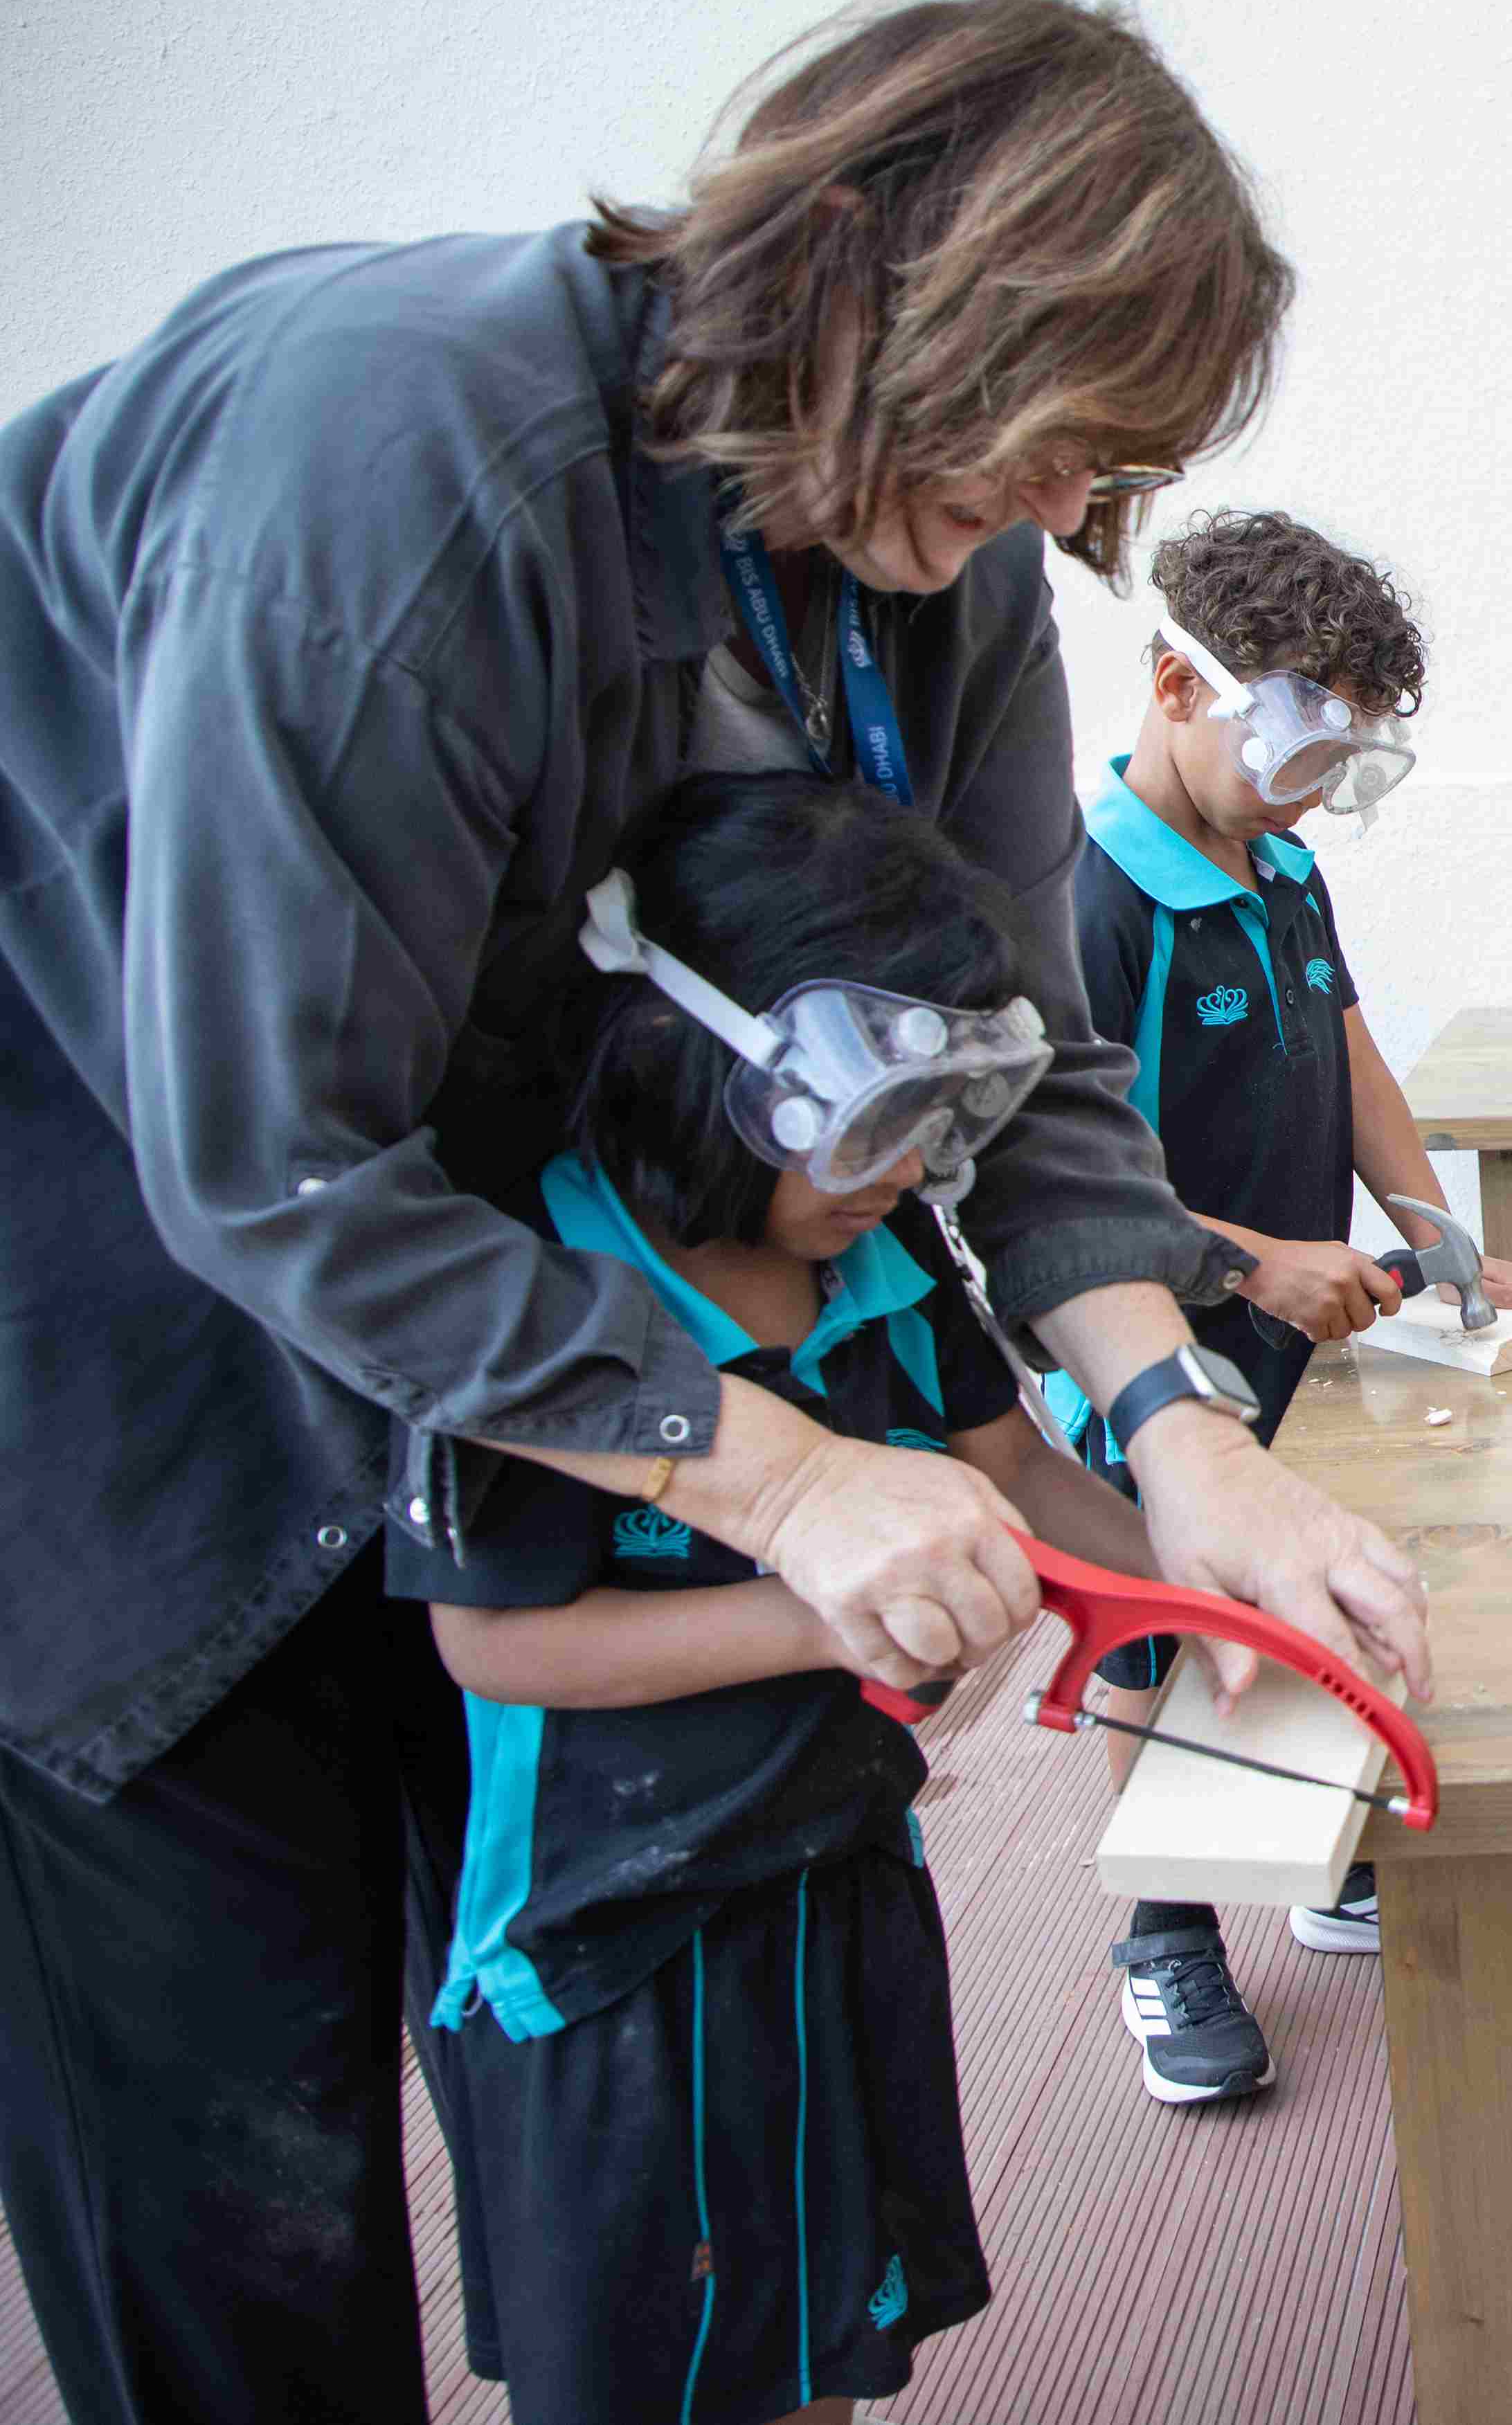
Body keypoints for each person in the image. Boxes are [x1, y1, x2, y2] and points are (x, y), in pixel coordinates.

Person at [0, 0, 1426, 2425]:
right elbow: (274, 1158)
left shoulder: (938, 551)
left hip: (498, 1225)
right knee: (238, 2142)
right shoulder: (408, 458)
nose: (1035, 536)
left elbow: (1025, 1058)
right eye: (1040, 449)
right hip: (123, 1270)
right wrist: (776, 1472)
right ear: (870, 279)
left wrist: (1188, 1437)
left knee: (571, 2009)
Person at [407, 776, 1182, 2425]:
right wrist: (820, 1616)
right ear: (694, 1047)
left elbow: (1029, 1477)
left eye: (946, 1122)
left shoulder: (888, 1269)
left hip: (839, 1872)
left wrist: (1216, 1578)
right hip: (613, 1951)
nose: (906, 1170)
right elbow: (497, 1640)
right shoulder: (546, 1307)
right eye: (864, 1116)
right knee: (657, 2377)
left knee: (821, 2341)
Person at [1058, 509, 1512, 2099]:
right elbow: (1062, 1175)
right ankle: (1169, 1927)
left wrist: (1439, 1232)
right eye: (1298, 739)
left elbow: (1347, 1054)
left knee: (1304, 1591)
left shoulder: (1279, 869)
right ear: (1177, 681)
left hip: (1302, 1333)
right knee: (1163, 1633)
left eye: (1347, 752)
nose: (1314, 787)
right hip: (1146, 1347)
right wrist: (1249, 1260)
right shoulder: (1095, 896)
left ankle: (1315, 1847)